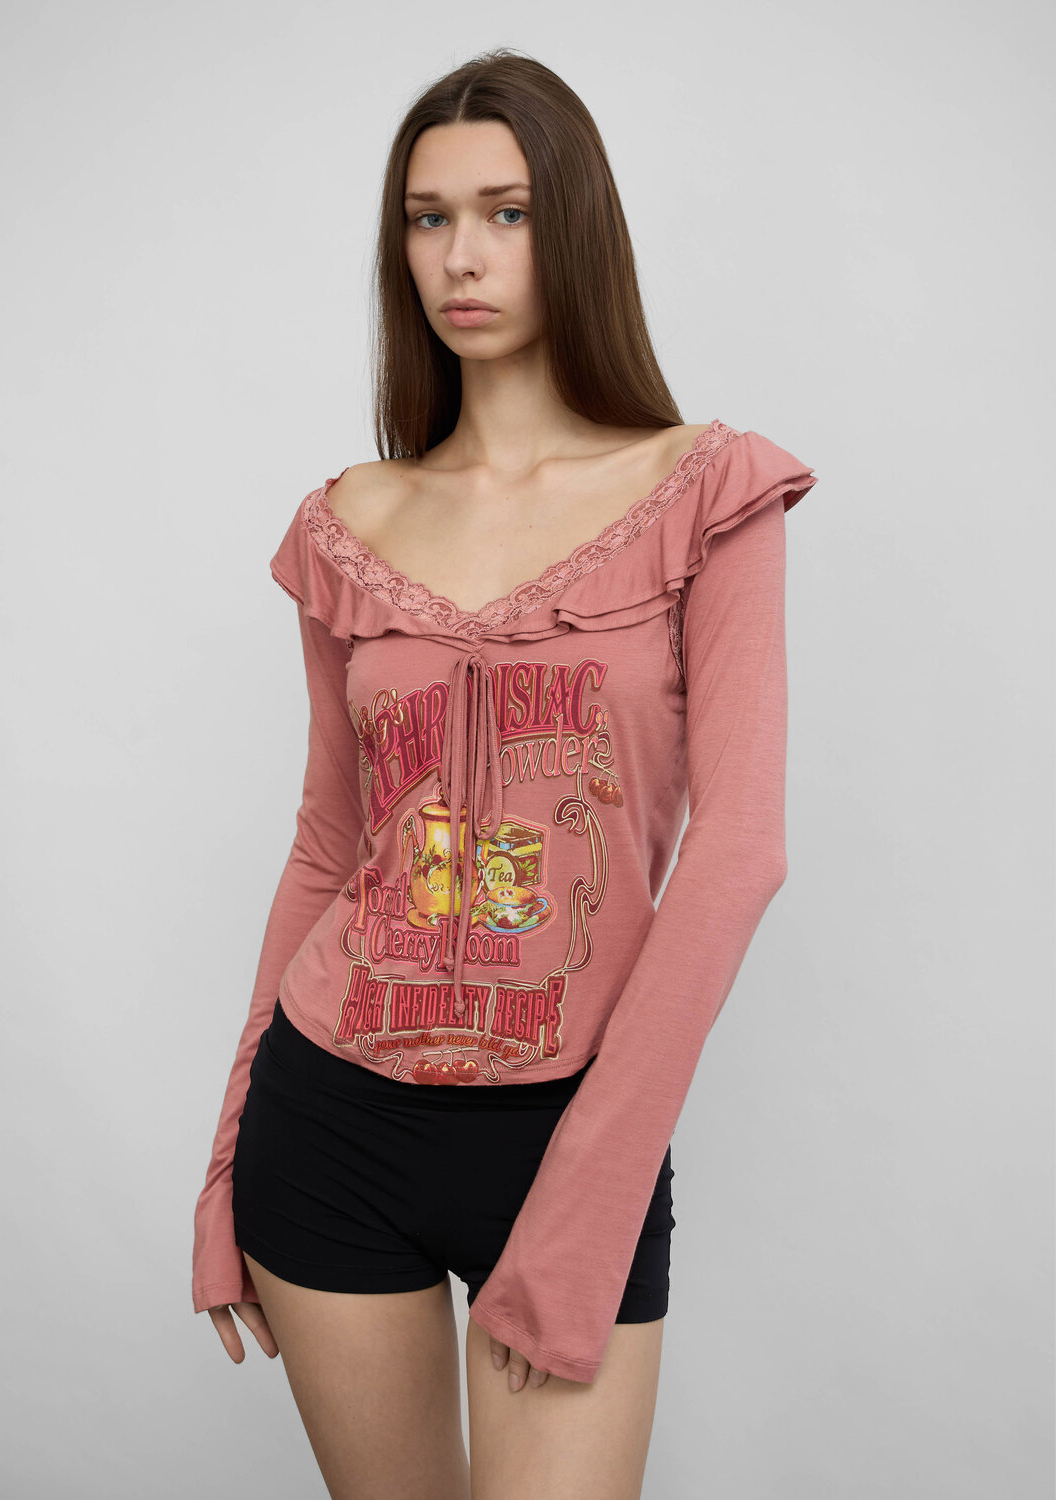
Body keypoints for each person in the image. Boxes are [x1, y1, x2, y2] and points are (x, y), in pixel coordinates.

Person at [191, 47, 818, 1500]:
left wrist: (589, 1210)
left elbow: (740, 849)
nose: (459, 257)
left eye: (506, 213)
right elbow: (326, 845)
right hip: (327, 1122)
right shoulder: (349, 521)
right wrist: (225, 1169)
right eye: (427, 218)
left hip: (571, 1129)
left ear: (574, 228)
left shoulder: (706, 493)